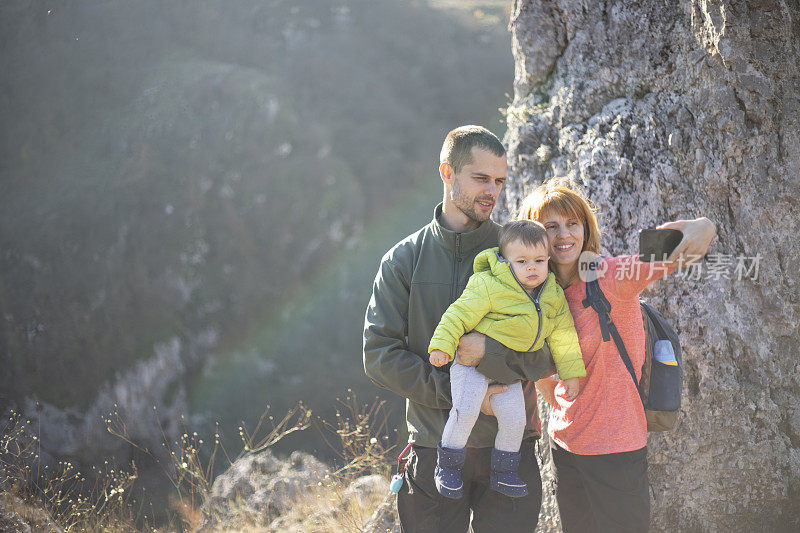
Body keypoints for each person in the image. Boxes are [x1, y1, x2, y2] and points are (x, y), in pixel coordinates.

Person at [363, 126, 554, 532]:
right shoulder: (403, 261)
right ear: (447, 172)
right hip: (435, 449)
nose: (493, 191)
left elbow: (553, 348)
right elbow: (379, 356)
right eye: (481, 178)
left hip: (509, 450)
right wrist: (460, 393)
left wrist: (494, 358)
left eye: (499, 180)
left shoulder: (520, 255)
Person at [510, 178, 715, 533]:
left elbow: (696, 240)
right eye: (551, 226)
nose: (564, 235)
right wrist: (562, 408)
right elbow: (539, 369)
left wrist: (696, 226)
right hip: (564, 447)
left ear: (585, 228)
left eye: (573, 223)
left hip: (615, 448)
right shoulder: (540, 295)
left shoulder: (609, 276)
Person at [427, 220, 585, 499]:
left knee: (515, 420)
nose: (532, 267)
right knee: (466, 411)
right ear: (506, 260)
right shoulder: (489, 284)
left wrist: (570, 372)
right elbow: (458, 315)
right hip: (471, 367)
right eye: (522, 261)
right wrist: (442, 345)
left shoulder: (552, 294)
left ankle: (504, 471)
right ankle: (448, 465)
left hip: (506, 370)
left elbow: (563, 335)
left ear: (548, 258)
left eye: (538, 260)